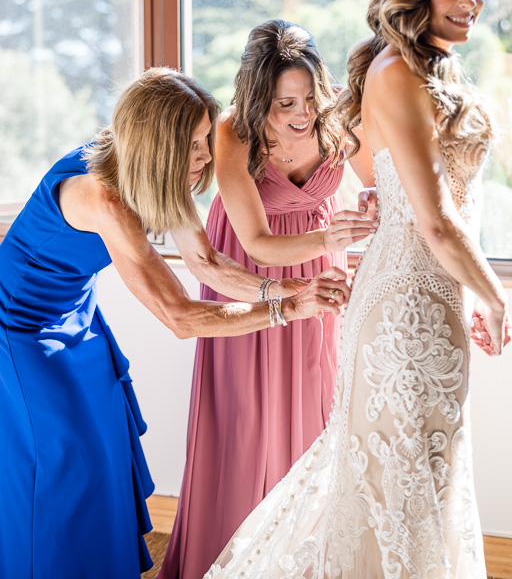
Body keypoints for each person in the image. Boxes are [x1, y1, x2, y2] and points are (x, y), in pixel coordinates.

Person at [203, 0, 511, 579]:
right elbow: (436, 223)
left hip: (435, 300)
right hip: (404, 307)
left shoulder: (432, 68)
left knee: (424, 485)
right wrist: (495, 294)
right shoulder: (394, 73)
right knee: (392, 489)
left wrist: (387, 206)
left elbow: (386, 179)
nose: (470, 2)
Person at [0, 68, 349, 579]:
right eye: (195, 144)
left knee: (106, 456)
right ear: (160, 145)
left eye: (206, 139)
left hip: (75, 317)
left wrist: (288, 289)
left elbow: (207, 264)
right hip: (20, 332)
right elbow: (181, 317)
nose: (208, 156)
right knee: (63, 471)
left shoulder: (153, 172)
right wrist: (287, 311)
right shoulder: (104, 198)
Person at [159, 20, 377, 579]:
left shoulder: (335, 123)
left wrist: (371, 214)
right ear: (259, 98)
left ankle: (299, 558)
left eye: (307, 98)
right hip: (252, 268)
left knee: (315, 404)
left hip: (320, 267)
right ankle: (229, 556)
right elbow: (256, 241)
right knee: (245, 417)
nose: (300, 113)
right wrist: (331, 242)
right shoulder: (233, 133)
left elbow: (376, 179)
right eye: (285, 103)